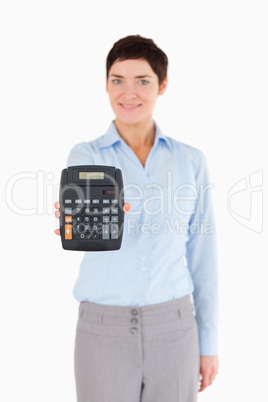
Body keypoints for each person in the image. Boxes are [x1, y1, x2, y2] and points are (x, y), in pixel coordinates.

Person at [54, 35, 219, 402]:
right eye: (117, 80)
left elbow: (203, 256)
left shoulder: (191, 161)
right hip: (102, 330)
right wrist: (78, 218)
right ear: (106, 85)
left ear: (162, 86)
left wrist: (208, 342)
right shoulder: (87, 153)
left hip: (175, 329)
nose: (128, 93)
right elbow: (86, 225)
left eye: (142, 81)